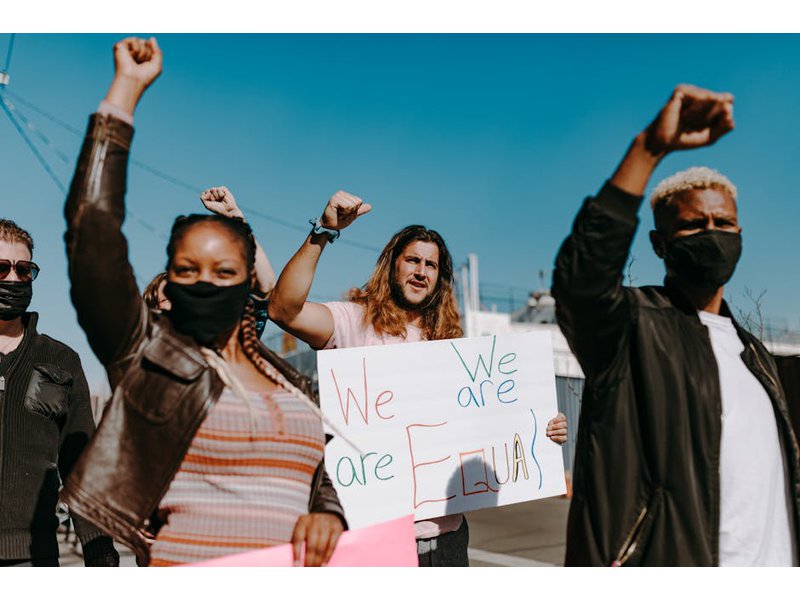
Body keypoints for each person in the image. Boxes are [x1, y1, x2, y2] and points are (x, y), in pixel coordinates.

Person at [61, 37, 346, 567]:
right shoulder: (147, 359)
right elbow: (93, 236)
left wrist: (328, 512)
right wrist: (125, 92)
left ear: (247, 283)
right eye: (187, 270)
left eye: (224, 271)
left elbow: (321, 472)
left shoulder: (292, 381)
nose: (205, 283)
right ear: (168, 281)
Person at [552, 84, 800, 566]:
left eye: (724, 224)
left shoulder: (760, 361)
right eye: (692, 225)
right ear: (660, 243)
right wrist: (650, 148)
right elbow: (581, 280)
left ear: (741, 235)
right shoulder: (630, 329)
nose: (712, 234)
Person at [268, 192, 569, 566]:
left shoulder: (449, 347)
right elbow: (283, 309)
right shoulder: (350, 321)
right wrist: (325, 231)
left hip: (448, 541)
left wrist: (541, 428)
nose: (421, 271)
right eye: (412, 260)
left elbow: (487, 427)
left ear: (439, 278)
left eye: (431, 265)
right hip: (375, 539)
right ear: (392, 265)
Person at [0, 219, 119, 567]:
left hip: (34, 560)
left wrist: (101, 552)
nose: (12, 279)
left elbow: (82, 466)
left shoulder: (61, 360)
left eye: (23, 270)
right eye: (1, 268)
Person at [143, 186, 274, 338]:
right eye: (168, 297)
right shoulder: (150, 355)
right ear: (154, 311)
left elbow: (265, 285)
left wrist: (236, 220)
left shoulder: (229, 338)